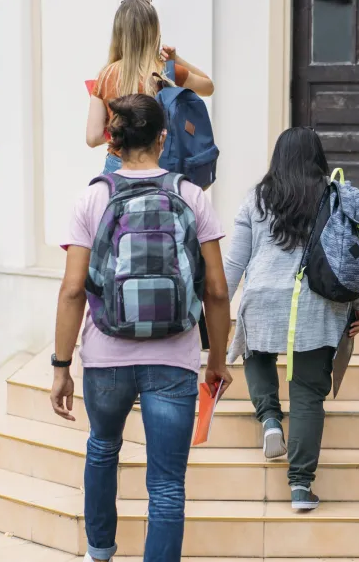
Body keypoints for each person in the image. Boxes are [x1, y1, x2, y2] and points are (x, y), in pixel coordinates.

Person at [52, 94, 232, 561]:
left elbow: (72, 290)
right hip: (174, 357)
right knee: (167, 485)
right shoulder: (192, 196)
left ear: (112, 142)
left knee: (102, 447)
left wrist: (61, 366)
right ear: (163, 138)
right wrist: (216, 360)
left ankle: (99, 552)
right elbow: (216, 290)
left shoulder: (93, 197)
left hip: (106, 356)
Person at [224, 127, 359, 512]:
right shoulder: (337, 194)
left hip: (263, 296)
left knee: (255, 352)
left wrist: (215, 312)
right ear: (318, 156)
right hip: (317, 303)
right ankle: (301, 487)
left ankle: (270, 420)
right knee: (307, 392)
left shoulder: (257, 198)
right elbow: (355, 255)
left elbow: (234, 263)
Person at [86, 0, 214, 174]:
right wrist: (176, 60)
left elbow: (93, 137)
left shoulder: (105, 76)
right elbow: (208, 86)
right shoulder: (165, 72)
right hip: (160, 167)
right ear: (154, 32)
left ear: (118, 33)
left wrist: (119, 127)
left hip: (118, 168)